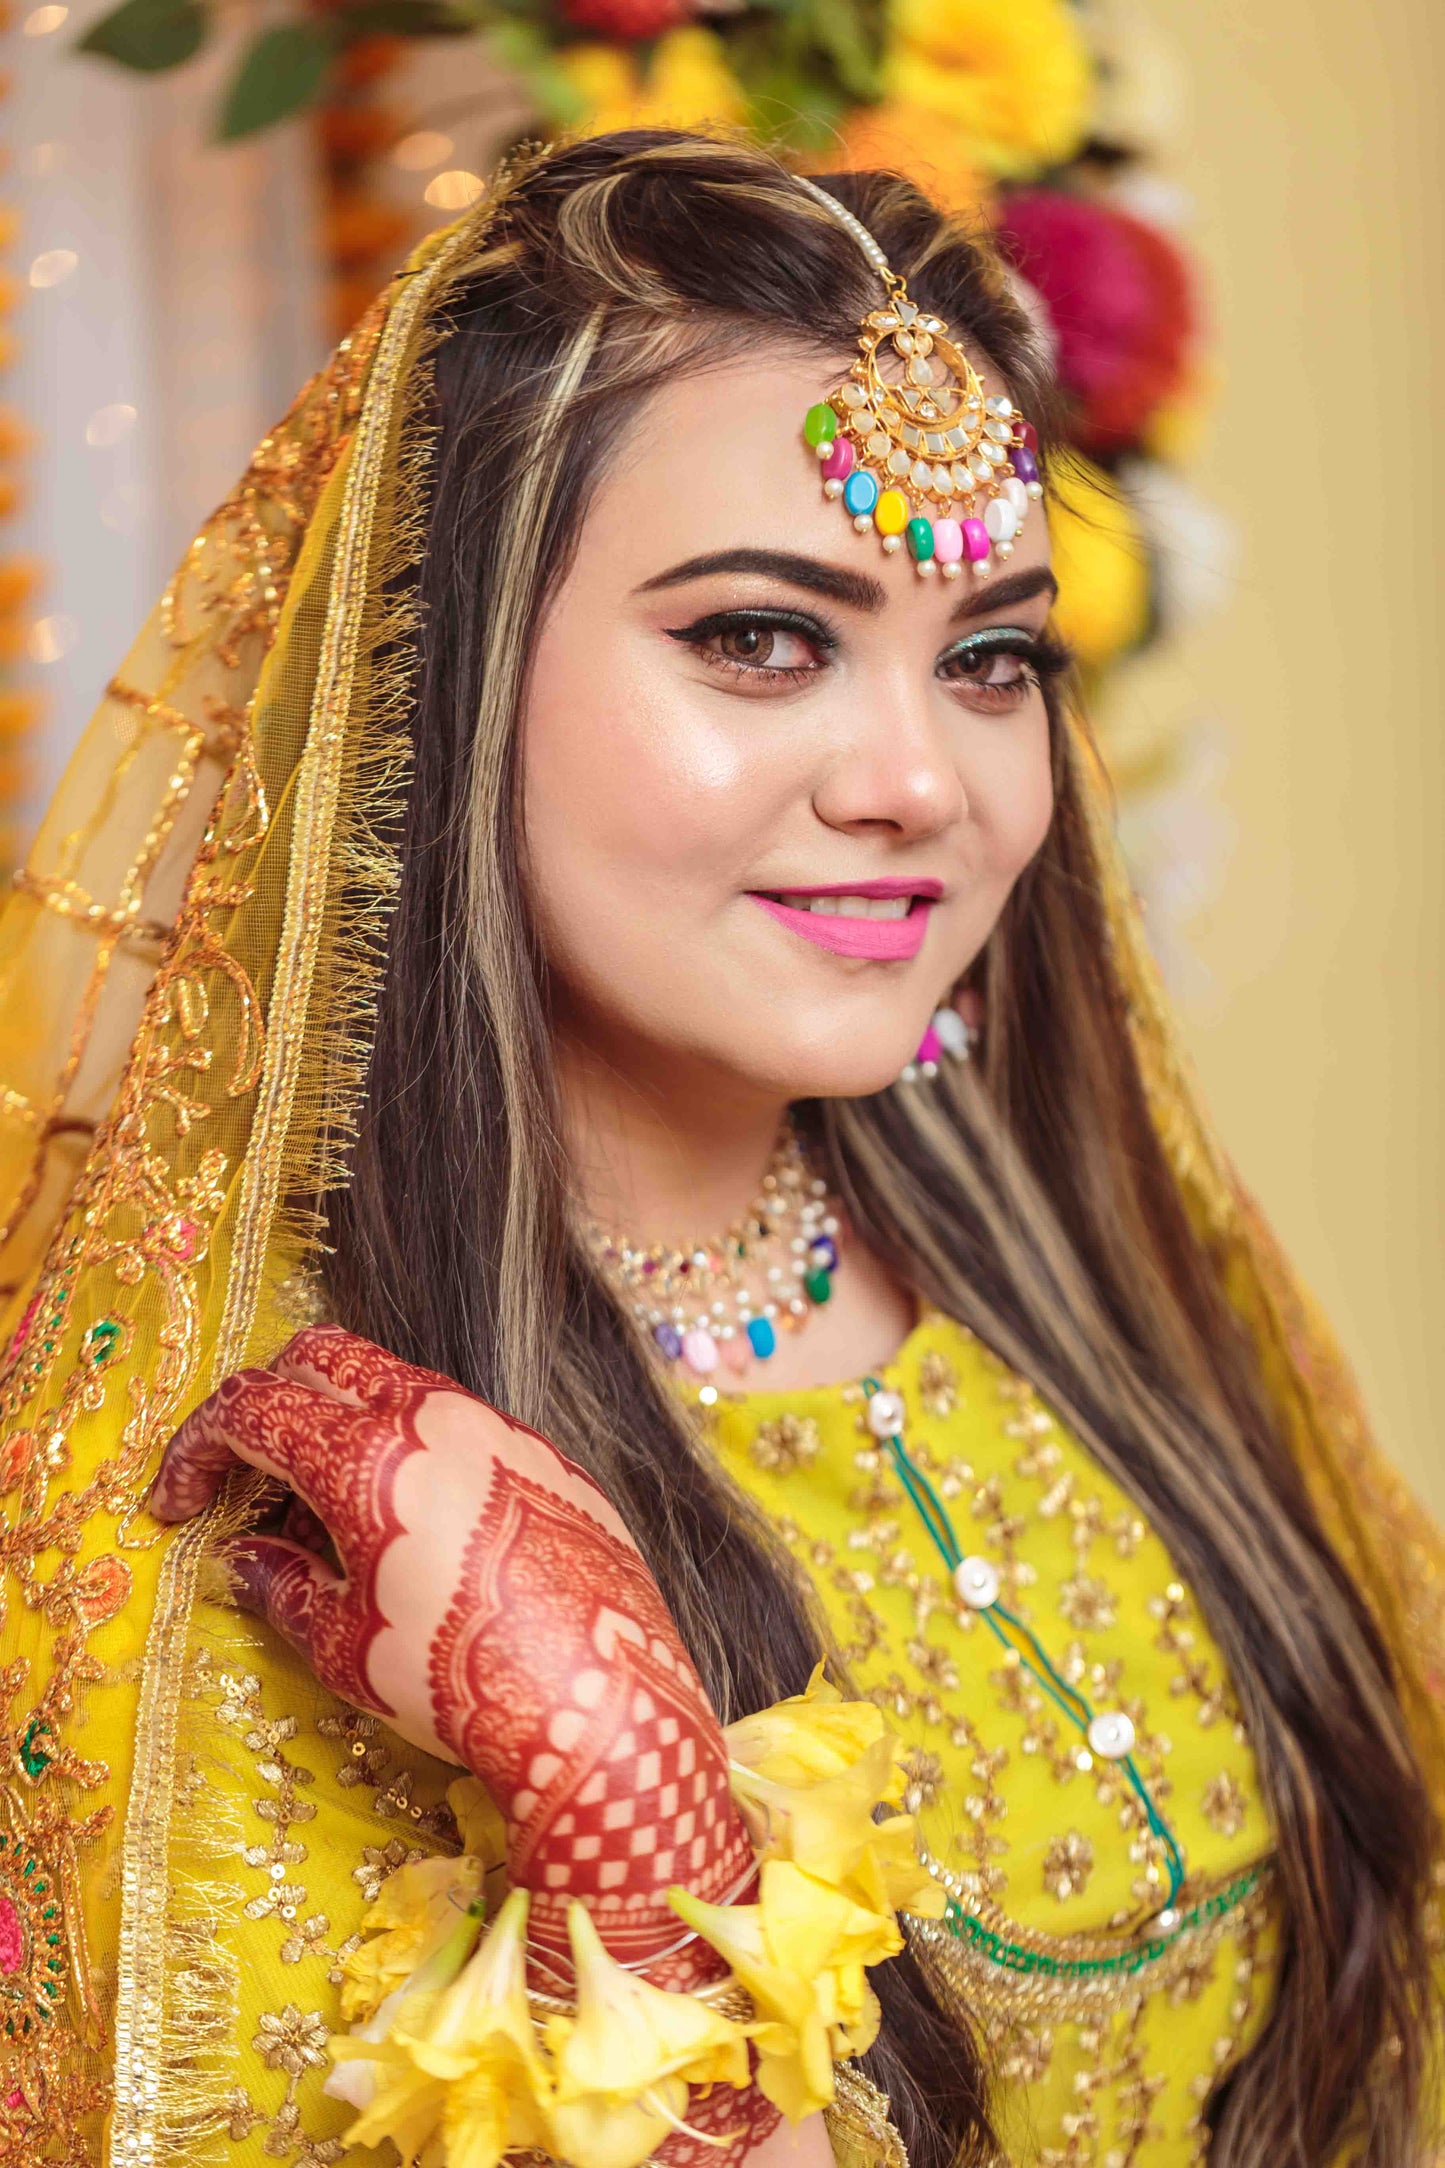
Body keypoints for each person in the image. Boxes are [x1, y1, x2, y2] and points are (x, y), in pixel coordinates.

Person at [0, 129, 1439, 2168]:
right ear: (450, 683)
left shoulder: (1108, 1307)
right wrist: (631, 1863)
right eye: (763, 636)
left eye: (993, 657)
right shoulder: (288, 1511)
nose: (920, 780)